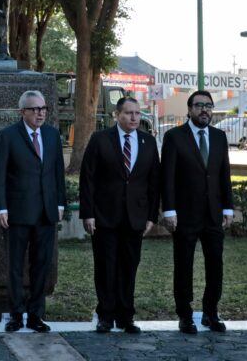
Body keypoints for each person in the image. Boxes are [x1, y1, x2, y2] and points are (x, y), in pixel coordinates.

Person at [79, 97, 160, 334]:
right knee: (105, 267)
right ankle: (105, 315)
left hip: (135, 217)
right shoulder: (100, 139)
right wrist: (88, 213)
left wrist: (151, 216)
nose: (134, 117)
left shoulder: (148, 141)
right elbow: (88, 178)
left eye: (137, 113)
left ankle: (126, 316)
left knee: (129, 267)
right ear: (117, 115)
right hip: (104, 216)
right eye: (128, 113)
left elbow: (154, 182)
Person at [160, 90, 233, 334]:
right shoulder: (174, 137)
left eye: (209, 106)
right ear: (189, 109)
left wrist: (228, 207)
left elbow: (224, 175)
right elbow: (167, 177)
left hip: (213, 214)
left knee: (216, 265)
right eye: (199, 105)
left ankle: (211, 313)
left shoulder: (220, 137)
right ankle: (185, 315)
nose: (205, 110)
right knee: (184, 265)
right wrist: (169, 210)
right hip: (184, 215)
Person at [0, 90, 66, 332]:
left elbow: (57, 173)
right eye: (34, 109)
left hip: (46, 213)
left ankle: (36, 315)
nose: (40, 113)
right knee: (15, 266)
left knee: (41, 265)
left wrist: (60, 204)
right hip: (16, 213)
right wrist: (0, 207)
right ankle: (16, 314)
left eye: (43, 108)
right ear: (22, 111)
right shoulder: (8, 136)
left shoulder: (53, 135)